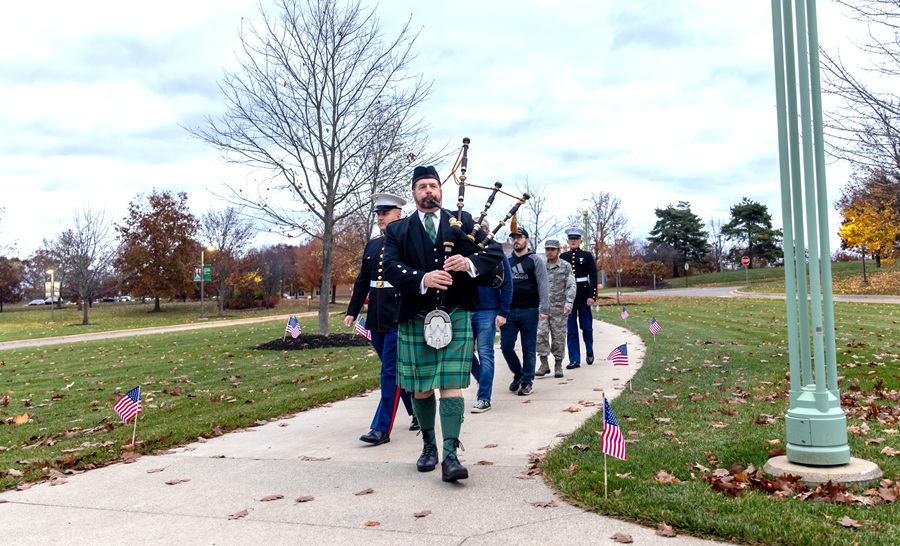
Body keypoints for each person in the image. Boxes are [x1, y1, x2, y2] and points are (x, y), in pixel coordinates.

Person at [382, 165, 503, 483]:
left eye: (433, 185)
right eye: (421, 186)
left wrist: (469, 262)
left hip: (456, 311)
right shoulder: (398, 230)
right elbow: (391, 268)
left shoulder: (461, 221)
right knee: (421, 388)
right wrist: (422, 278)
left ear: (441, 190)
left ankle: (451, 456)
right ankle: (428, 447)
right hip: (415, 315)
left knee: (450, 385)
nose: (428, 191)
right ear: (413, 193)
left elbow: (491, 251)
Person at [344, 193, 417, 447]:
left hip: (398, 313)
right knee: (394, 371)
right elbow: (363, 280)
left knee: (389, 372)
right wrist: (352, 311)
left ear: (399, 214)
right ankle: (417, 411)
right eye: (378, 214)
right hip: (375, 316)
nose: (380, 218)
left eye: (385, 213)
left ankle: (381, 428)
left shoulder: (409, 241)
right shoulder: (373, 244)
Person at [470, 220, 513, 413]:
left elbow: (508, 284)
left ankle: (484, 397)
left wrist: (503, 312)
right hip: (466, 309)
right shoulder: (465, 251)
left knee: (486, 352)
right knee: (464, 353)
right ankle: (483, 381)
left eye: (483, 229)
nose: (481, 233)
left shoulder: (496, 253)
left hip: (488, 310)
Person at [500, 227, 548, 396]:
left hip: (529, 310)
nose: (516, 240)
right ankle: (518, 373)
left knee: (528, 348)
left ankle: (527, 381)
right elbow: (501, 285)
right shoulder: (506, 260)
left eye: (519, 237)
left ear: (527, 240)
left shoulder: (535, 260)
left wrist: (545, 308)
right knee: (506, 347)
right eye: (513, 238)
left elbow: (543, 285)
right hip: (509, 311)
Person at [559, 227, 598, 369]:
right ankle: (574, 359)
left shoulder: (587, 256)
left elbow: (593, 276)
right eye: (571, 239)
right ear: (567, 241)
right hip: (568, 298)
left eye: (576, 239)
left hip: (584, 295)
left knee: (586, 327)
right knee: (571, 329)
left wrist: (592, 296)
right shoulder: (563, 257)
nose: (573, 241)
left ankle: (589, 349)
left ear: (581, 240)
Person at [536, 239, 575, 378]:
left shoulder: (565, 266)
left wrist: (569, 302)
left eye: (552, 249)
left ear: (558, 251)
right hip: (542, 308)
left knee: (558, 337)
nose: (549, 252)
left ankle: (558, 364)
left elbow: (571, 285)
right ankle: (544, 363)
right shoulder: (540, 266)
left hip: (559, 308)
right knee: (540, 335)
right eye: (547, 249)